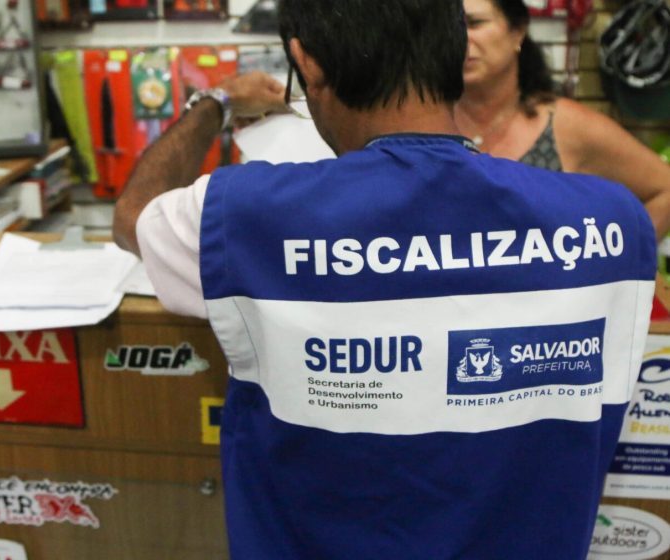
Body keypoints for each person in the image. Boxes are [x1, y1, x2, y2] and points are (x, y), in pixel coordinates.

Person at [113, 0, 656, 558]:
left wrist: (216, 101)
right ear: (453, 50)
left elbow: (134, 217)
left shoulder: (246, 213)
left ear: (309, 64)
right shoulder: (614, 221)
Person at [457, 0, 670, 236]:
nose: (461, 38)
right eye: (452, 27)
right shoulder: (427, 122)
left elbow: (665, 187)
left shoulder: (565, 126)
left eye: (475, 23)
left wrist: (624, 257)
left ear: (517, 31)